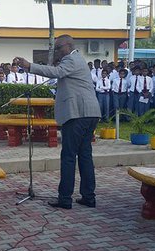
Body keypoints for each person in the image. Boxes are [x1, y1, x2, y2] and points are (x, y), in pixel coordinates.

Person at [16, 34, 101, 209]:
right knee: (85, 155)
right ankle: (88, 196)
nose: (57, 51)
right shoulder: (77, 59)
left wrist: (29, 66)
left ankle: (65, 199)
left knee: (68, 156)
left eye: (58, 48)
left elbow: (56, 72)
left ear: (68, 46)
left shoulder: (71, 59)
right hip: (89, 114)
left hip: (77, 114)